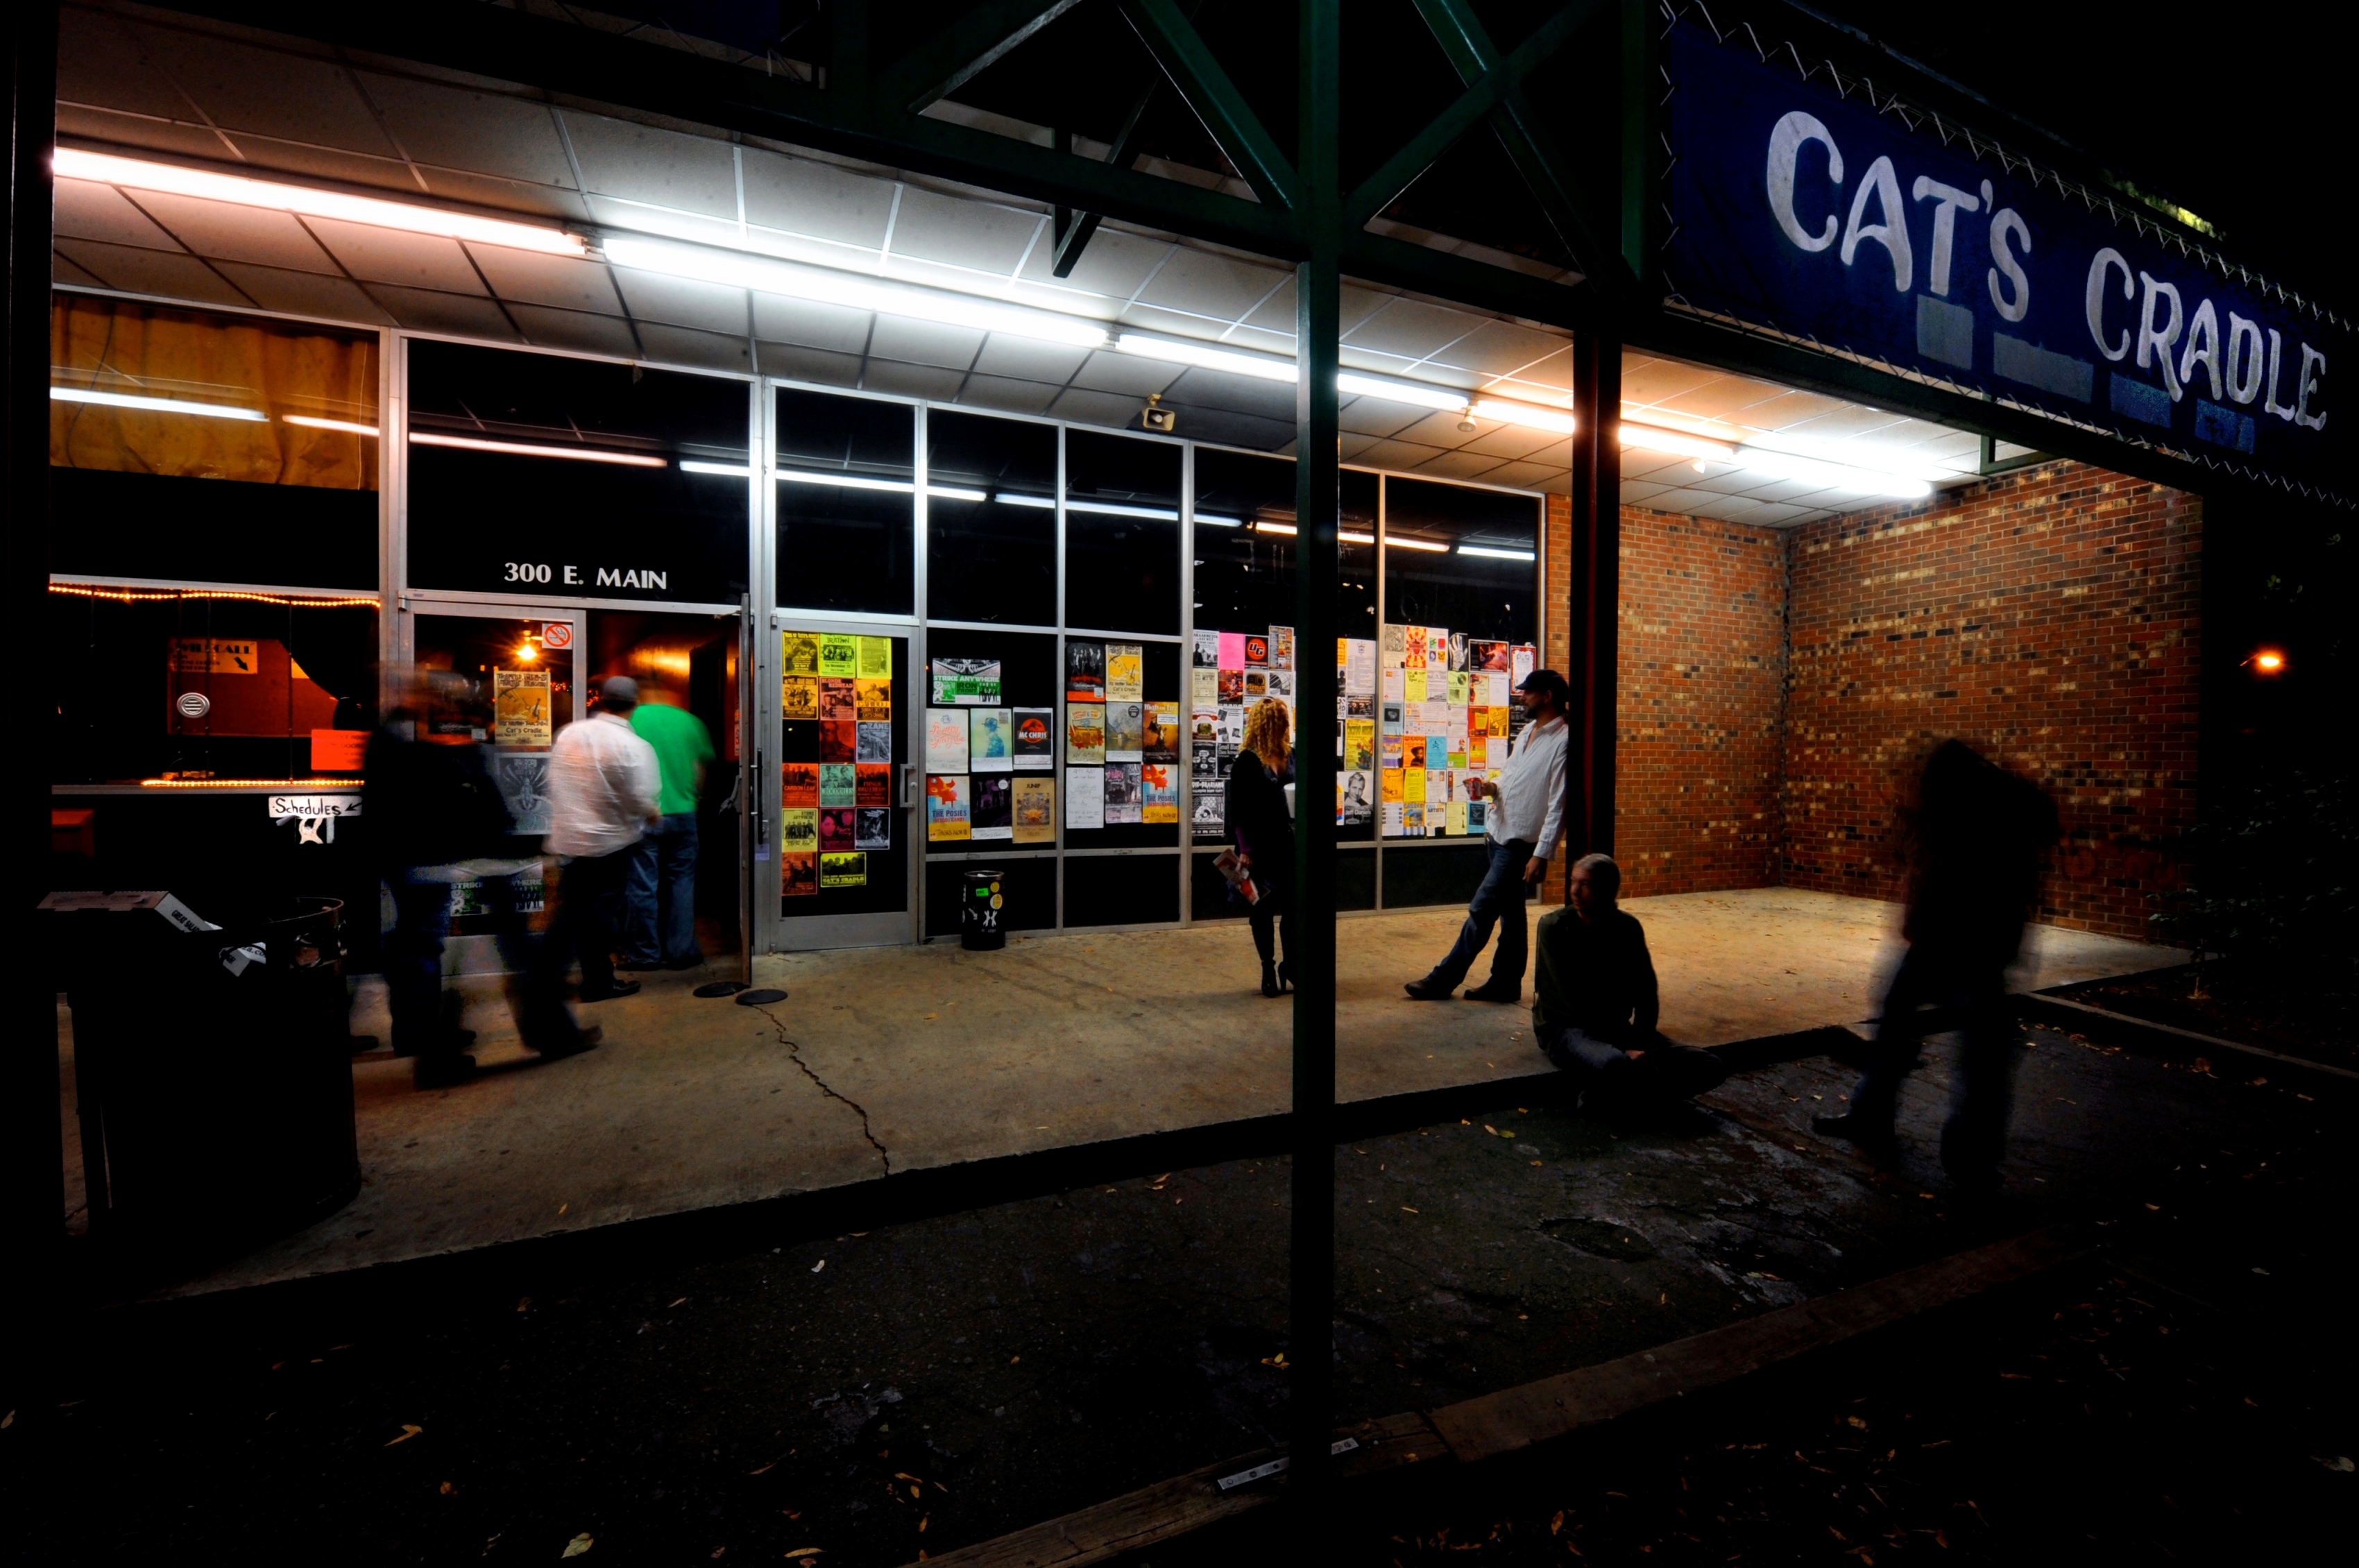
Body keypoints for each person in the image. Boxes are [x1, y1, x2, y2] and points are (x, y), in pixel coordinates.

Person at [1814, 740, 2059, 1187]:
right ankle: (1877, 1119)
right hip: (1937, 946)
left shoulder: (1990, 820)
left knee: (1980, 1058)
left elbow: (2013, 862)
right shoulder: (1949, 818)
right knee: (1897, 1033)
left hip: (1975, 951)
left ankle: (1969, 1156)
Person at [364, 685, 590, 1089]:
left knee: (452, 952)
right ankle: (444, 1049)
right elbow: (450, 797)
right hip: (455, 858)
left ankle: (437, 1046)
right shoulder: (412, 744)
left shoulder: (407, 740)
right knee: (452, 953)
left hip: (456, 859)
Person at [1404, 667, 1571, 1002]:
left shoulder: (1564, 740)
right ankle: (1506, 983)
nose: (1522, 696)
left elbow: (1559, 803)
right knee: (1512, 915)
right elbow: (1511, 779)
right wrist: (1490, 787)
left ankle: (1443, 980)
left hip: (1519, 843)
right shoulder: (1527, 733)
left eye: (1528, 692)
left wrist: (1542, 853)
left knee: (1481, 910)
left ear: (1547, 696)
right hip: (1499, 832)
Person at [1531, 854, 1726, 1108]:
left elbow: (1646, 991)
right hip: (1566, 1029)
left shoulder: (1627, 927)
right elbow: (1568, 1000)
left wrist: (1640, 1041)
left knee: (1710, 1065)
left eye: (1586, 884)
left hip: (1618, 1027)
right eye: (1573, 882)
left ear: (1608, 889)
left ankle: (1624, 1096)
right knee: (1614, 1063)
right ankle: (1628, 1094)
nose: (1576, 892)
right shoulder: (1555, 927)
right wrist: (1624, 1051)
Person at [539, 675, 662, 1006]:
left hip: (568, 842)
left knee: (573, 915)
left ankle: (551, 979)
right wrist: (653, 815)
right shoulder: (633, 746)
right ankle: (593, 983)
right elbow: (642, 797)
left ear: (602, 700)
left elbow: (553, 779)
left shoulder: (570, 734)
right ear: (635, 704)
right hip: (609, 846)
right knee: (599, 919)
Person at [620, 685, 715, 973]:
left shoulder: (630, 719)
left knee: (642, 885)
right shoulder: (690, 721)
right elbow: (700, 771)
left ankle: (645, 954)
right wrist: (692, 799)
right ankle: (681, 951)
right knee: (682, 883)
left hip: (644, 815)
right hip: (684, 814)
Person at [1225, 696, 1295, 998]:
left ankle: (1290, 965)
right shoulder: (1247, 761)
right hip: (1258, 850)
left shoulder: (1293, 756)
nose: (1285, 725)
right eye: (1280, 720)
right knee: (1262, 910)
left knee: (1295, 910)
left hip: (1290, 846)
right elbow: (1238, 811)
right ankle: (1268, 967)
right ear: (1269, 723)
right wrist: (1244, 849)